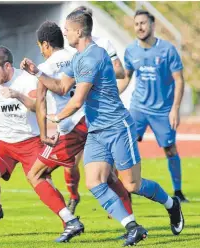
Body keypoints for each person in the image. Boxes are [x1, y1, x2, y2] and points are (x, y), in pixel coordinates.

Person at [21, 10, 184, 246]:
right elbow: (61, 86)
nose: (64, 32)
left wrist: (55, 118)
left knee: (132, 185)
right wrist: (37, 72)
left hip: (118, 127)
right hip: (96, 131)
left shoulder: (93, 57)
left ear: (78, 31)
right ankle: (132, 226)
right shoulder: (77, 57)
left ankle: (172, 204)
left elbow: (77, 101)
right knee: (94, 182)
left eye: (67, 29)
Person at [27, 21, 132, 242]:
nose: (40, 50)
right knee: (108, 176)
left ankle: (70, 221)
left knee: (36, 174)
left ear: (45, 44)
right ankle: (130, 223)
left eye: (40, 46)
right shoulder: (75, 55)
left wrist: (45, 133)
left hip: (72, 127)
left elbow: (41, 103)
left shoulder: (45, 68)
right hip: (92, 120)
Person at [0, 46, 78, 243]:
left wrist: (16, 95)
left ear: (7, 66)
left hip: (30, 141)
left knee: (41, 181)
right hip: (4, 142)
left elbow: (37, 106)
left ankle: (70, 221)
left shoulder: (26, 79)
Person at [62, 5, 129, 214]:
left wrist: (99, 73)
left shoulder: (102, 45)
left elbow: (120, 71)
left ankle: (124, 208)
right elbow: (64, 83)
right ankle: (73, 197)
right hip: (77, 115)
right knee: (70, 162)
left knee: (114, 175)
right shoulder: (73, 50)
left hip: (100, 114)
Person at [118, 9, 188, 202]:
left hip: (163, 110)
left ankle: (179, 192)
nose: (140, 27)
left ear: (152, 25)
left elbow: (179, 80)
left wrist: (175, 109)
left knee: (170, 149)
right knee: (124, 144)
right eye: (136, 24)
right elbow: (126, 78)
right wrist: (112, 95)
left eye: (143, 23)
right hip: (138, 107)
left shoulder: (167, 50)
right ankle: (125, 190)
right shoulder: (131, 50)